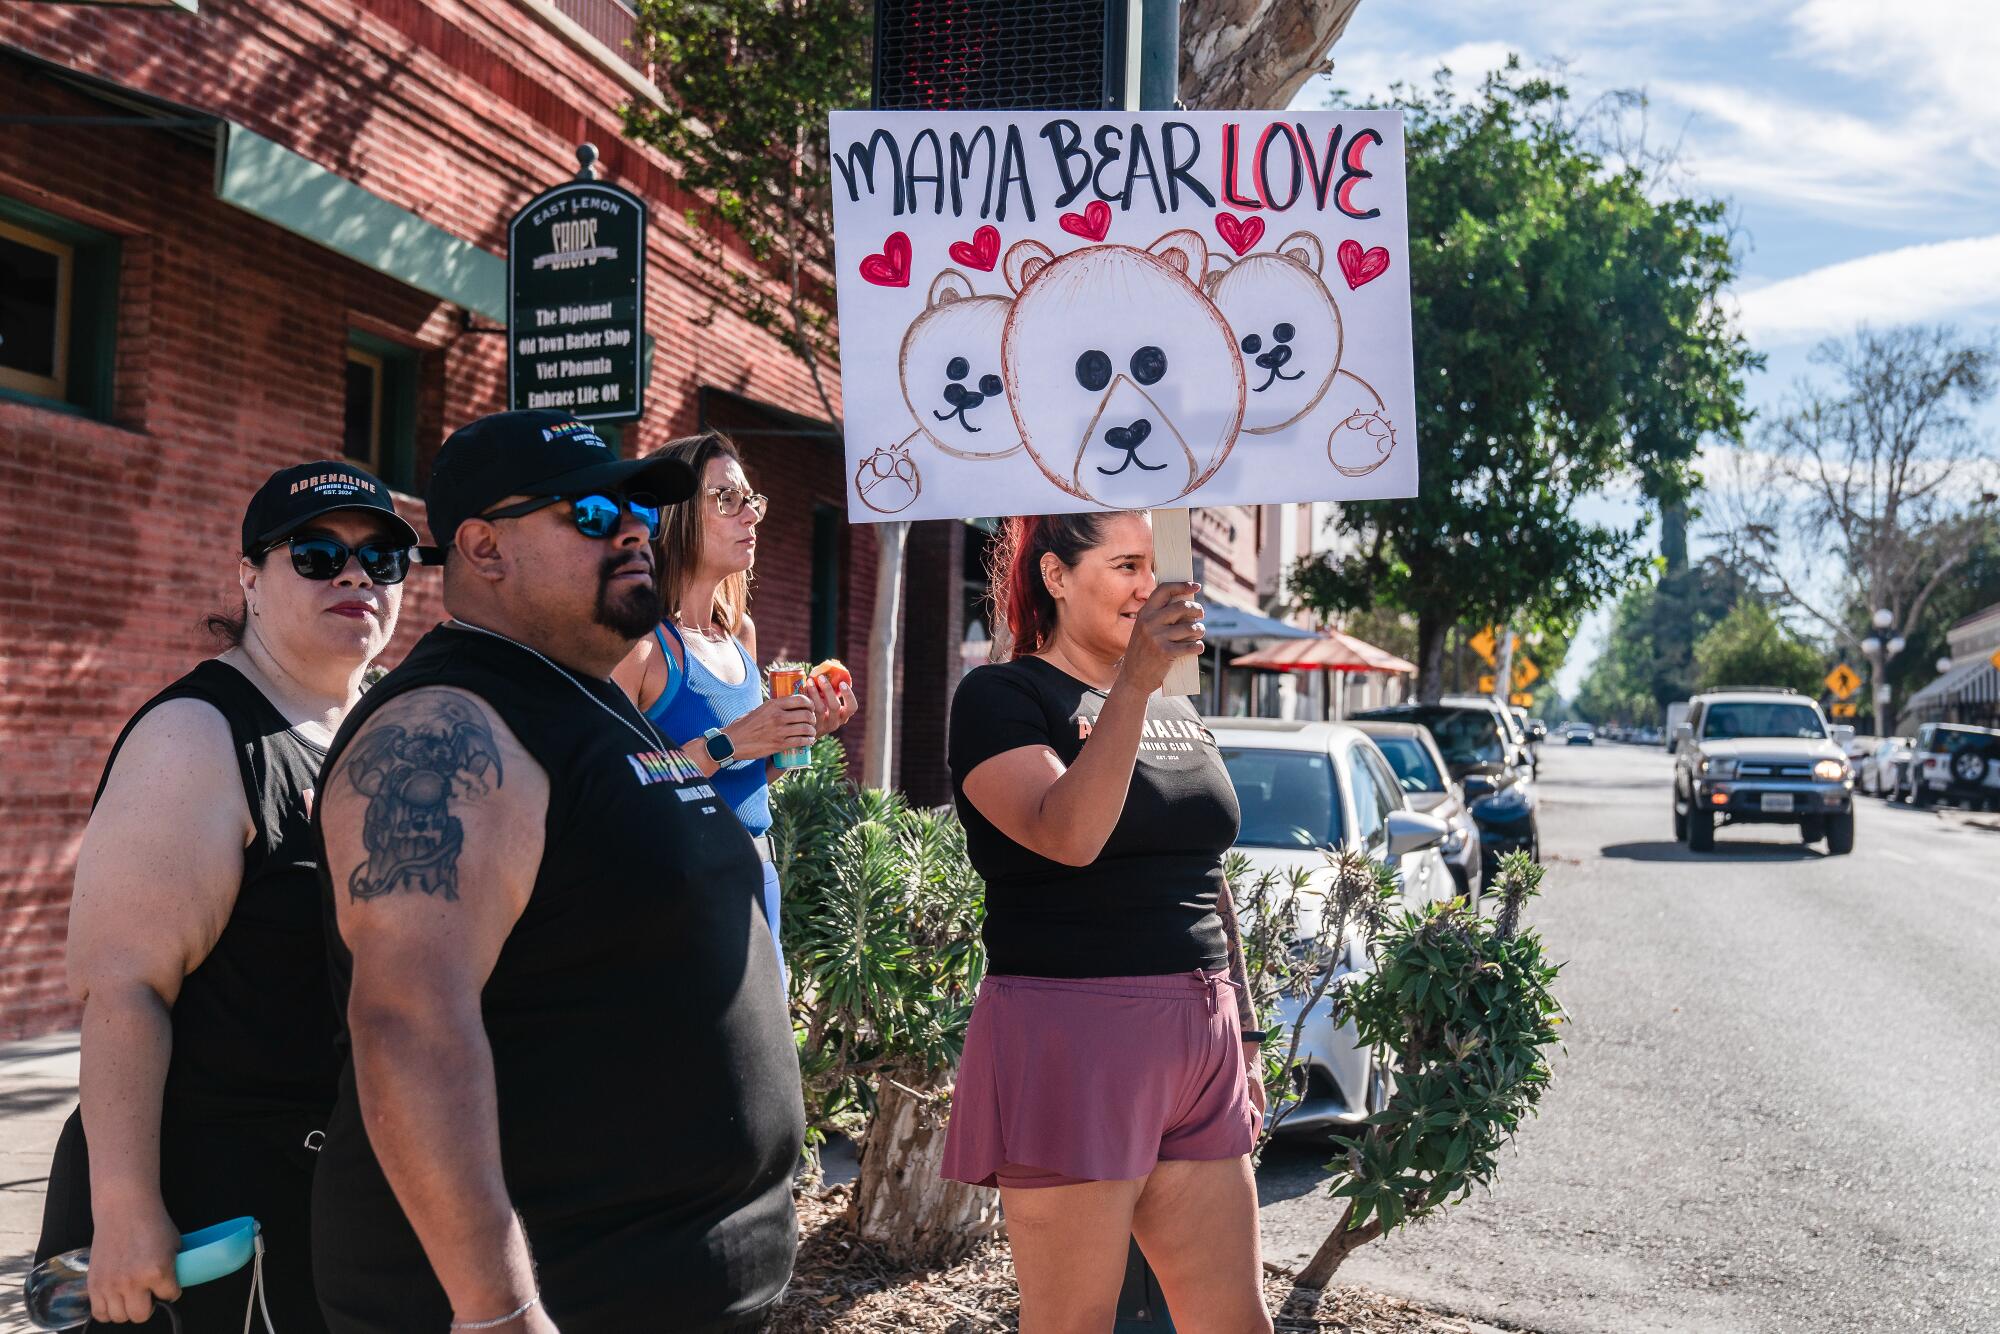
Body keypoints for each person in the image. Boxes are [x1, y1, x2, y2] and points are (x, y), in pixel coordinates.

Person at [310, 410, 804, 1334]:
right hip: (560, 1298)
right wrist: (497, 1310)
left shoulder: (589, 700)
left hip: (672, 1282)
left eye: (638, 509)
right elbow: (407, 1023)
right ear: (484, 548)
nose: (631, 529)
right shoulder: (450, 727)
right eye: (587, 513)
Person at [37, 462, 416, 1330]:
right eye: (317, 555)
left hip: (324, 1201)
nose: (355, 575)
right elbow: (122, 987)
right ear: (250, 577)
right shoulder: (196, 736)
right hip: (205, 1218)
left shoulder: (368, 731)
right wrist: (126, 1211)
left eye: (381, 559)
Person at [941, 511, 1273, 1334]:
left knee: (1235, 1321)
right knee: (1073, 1324)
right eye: (1126, 565)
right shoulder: (1002, 696)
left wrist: (1248, 1035)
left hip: (1202, 1035)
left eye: (1153, 565)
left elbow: (1205, 874)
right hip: (1076, 1032)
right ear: (1056, 577)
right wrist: (1133, 683)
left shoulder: (1174, 705)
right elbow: (1069, 835)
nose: (1146, 585)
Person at [612, 432, 856, 963]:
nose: (750, 515)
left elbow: (743, 779)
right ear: (673, 515)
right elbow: (616, 789)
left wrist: (797, 733)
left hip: (756, 872)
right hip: (680, 889)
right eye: (726, 499)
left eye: (752, 500)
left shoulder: (739, 633)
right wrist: (730, 742)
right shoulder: (640, 643)